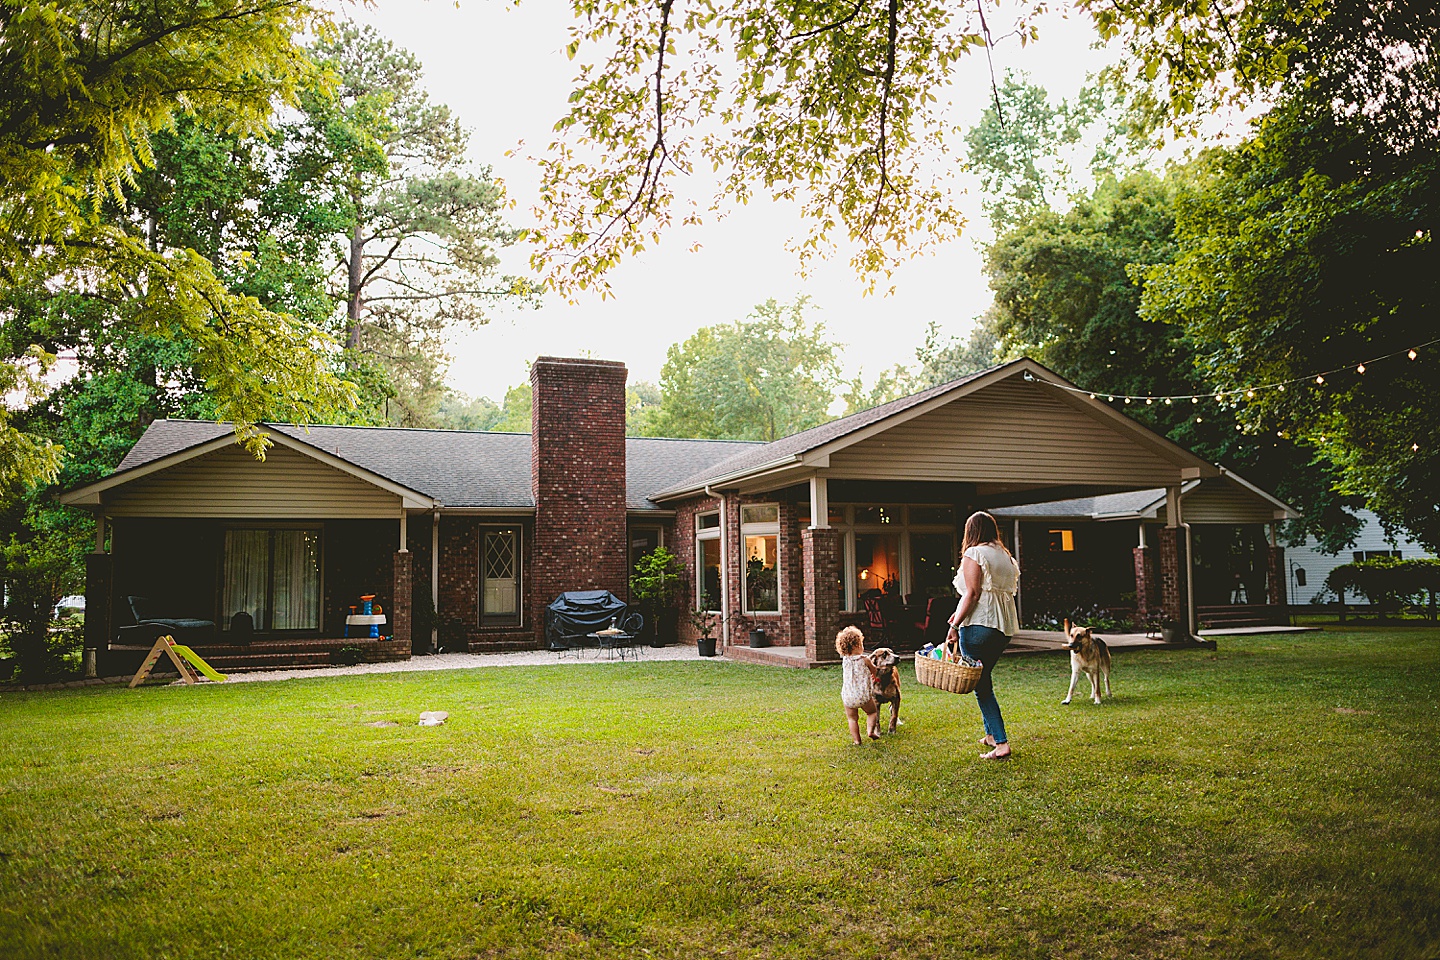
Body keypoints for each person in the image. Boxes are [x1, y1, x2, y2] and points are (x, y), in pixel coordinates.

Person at [947, 511, 1020, 760]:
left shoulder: (974, 554)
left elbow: (972, 594)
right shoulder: (1005, 557)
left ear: (972, 531)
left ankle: (1001, 743)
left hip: (979, 625)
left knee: (981, 686)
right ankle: (990, 735)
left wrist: (955, 625)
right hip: (1003, 628)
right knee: (984, 678)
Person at [835, 625, 881, 745]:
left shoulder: (845, 660)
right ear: (857, 645)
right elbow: (874, 671)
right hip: (863, 696)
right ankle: (870, 731)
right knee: (872, 712)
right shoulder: (864, 659)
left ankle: (857, 741)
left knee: (852, 719)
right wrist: (875, 674)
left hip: (848, 697)